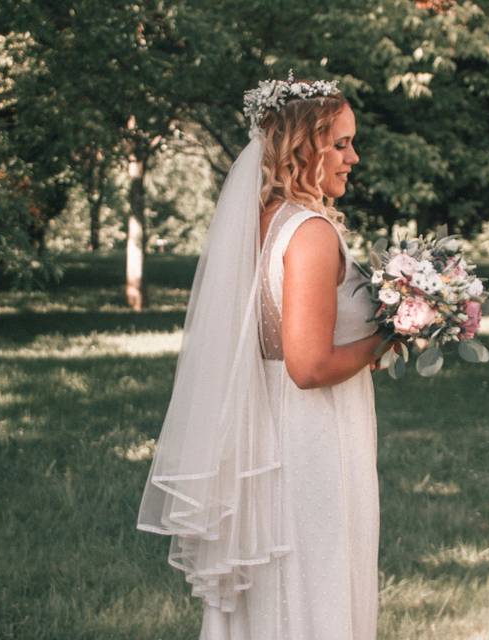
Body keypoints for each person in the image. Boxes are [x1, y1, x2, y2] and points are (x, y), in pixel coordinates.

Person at [137, 73, 391, 640]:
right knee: (311, 578)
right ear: (304, 146)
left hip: (262, 431)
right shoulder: (311, 233)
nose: (354, 157)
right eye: (342, 143)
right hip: (308, 438)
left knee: (275, 585)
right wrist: (391, 336)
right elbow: (308, 367)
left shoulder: (260, 222)